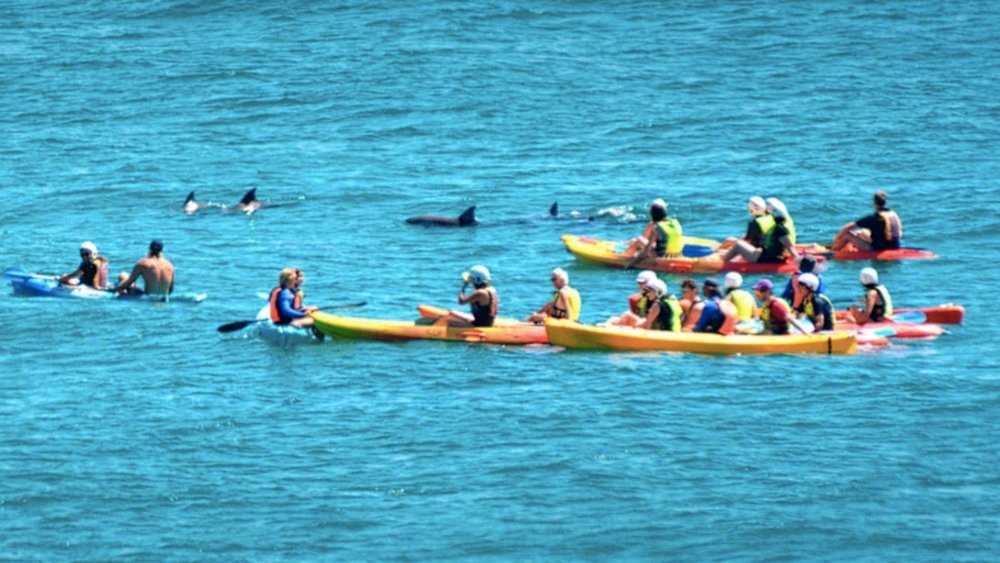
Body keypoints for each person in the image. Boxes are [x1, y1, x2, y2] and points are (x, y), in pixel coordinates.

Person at [721, 198, 798, 264]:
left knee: (738, 245)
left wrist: (799, 261)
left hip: (767, 259)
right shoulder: (780, 226)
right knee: (740, 244)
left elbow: (790, 248)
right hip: (766, 255)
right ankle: (727, 256)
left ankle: (722, 261)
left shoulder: (780, 229)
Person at [832, 190, 902, 252]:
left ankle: (832, 251)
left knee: (847, 235)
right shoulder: (892, 214)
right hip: (895, 246)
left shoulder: (875, 217)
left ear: (874, 203)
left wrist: (837, 238)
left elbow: (848, 227)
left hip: (879, 249)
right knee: (861, 232)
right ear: (885, 202)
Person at [624, 199, 683, 268]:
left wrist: (631, 264)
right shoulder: (675, 223)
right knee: (643, 241)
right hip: (677, 255)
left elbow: (646, 252)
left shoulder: (657, 228)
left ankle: (623, 256)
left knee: (639, 240)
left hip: (663, 256)